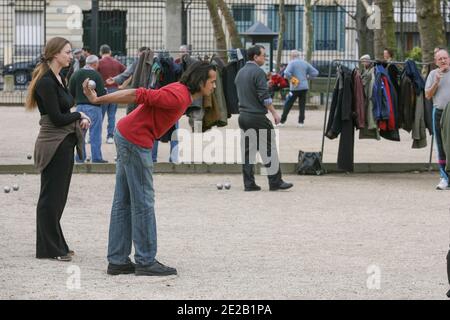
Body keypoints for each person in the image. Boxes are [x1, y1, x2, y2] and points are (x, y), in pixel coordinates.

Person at [82, 61, 217, 276]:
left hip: (127, 135)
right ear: (200, 81)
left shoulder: (180, 92)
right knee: (143, 201)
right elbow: (138, 94)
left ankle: (117, 260)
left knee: (123, 201)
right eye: (212, 81)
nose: (214, 86)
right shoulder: (179, 95)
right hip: (135, 140)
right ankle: (145, 261)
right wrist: (99, 99)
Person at [25, 37, 91, 262]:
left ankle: (55, 244)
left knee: (58, 197)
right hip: (54, 143)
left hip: (64, 142)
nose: (71, 56)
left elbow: (64, 113)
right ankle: (49, 249)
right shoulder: (46, 82)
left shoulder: (59, 78)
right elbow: (57, 117)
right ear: (55, 55)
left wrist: (77, 118)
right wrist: (79, 115)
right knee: (50, 197)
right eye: (67, 52)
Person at [234, 45, 293, 192]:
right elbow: (264, 97)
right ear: (255, 57)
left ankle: (249, 183)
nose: (265, 58)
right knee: (268, 148)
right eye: (263, 56)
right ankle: (275, 182)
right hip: (257, 116)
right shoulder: (258, 72)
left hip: (243, 116)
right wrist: (274, 113)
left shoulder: (240, 73)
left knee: (248, 151)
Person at [69, 54, 107, 163]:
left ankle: (80, 158)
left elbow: (71, 92)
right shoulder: (97, 75)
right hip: (95, 107)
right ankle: (96, 158)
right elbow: (101, 93)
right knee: (95, 134)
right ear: (94, 64)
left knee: (81, 134)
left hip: (80, 107)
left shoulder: (76, 74)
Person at [425, 48, 450, 190]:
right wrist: (436, 82)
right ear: (436, 62)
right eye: (440, 59)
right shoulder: (433, 74)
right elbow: (428, 95)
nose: (443, 61)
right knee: (440, 146)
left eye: (445, 58)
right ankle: (444, 177)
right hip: (439, 112)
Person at [279, 50, 319, 127]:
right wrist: (307, 77)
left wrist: (292, 79)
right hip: (304, 87)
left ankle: (282, 121)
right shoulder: (304, 62)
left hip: (295, 88)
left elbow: (286, 73)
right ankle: (301, 122)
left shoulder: (292, 63)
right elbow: (316, 72)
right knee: (302, 105)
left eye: (290, 56)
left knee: (288, 104)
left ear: (292, 56)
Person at [98, 44, 126, 144]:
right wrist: (122, 85)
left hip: (103, 91)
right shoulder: (116, 62)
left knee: (99, 115)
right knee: (112, 115)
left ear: (101, 53)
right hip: (115, 90)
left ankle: (96, 136)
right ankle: (110, 136)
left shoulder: (99, 63)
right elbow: (127, 73)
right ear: (110, 52)